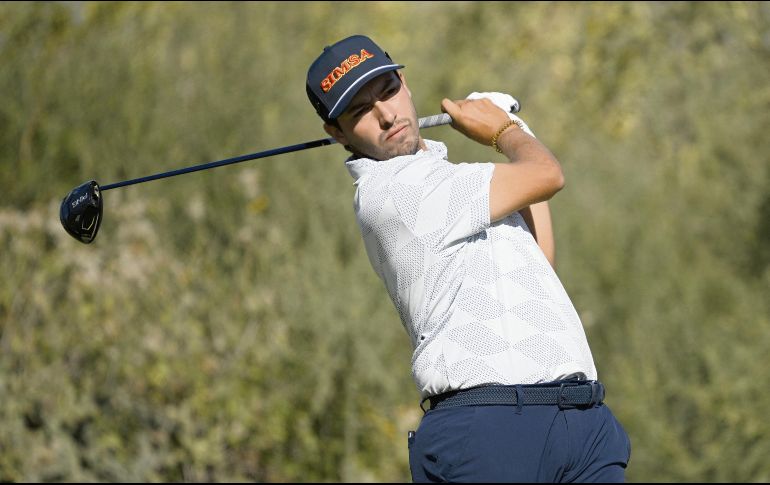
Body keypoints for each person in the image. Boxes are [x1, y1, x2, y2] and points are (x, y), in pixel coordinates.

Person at [306, 34, 631, 483]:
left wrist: (517, 132)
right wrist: (503, 132)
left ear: (404, 82)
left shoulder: (459, 186)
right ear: (336, 133)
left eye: (387, 91)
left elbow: (542, 261)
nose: (386, 115)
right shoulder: (392, 195)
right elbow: (547, 174)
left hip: (580, 421)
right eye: (360, 111)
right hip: (487, 432)